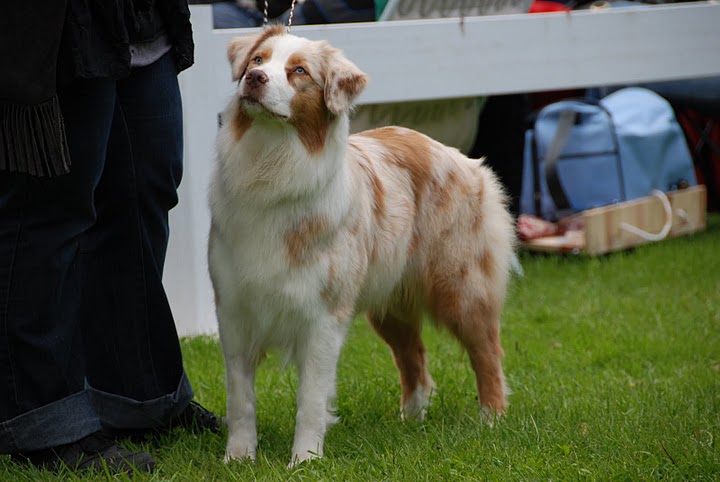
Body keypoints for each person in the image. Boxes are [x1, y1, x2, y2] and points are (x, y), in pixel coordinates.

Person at [0, 0, 218, 474]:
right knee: (50, 208)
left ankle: (137, 397)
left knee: (143, 188)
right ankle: (41, 421)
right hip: (54, 26)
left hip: (140, 19)